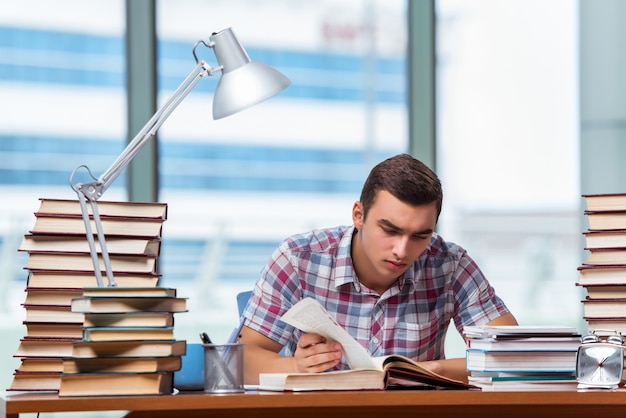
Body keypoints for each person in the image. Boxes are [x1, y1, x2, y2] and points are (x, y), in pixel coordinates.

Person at [238, 153, 517, 385]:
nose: (402, 250)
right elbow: (243, 360)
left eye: (420, 236)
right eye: (390, 230)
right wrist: (298, 366)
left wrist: (435, 371)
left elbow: (512, 356)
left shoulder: (450, 264)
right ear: (358, 215)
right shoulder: (298, 259)